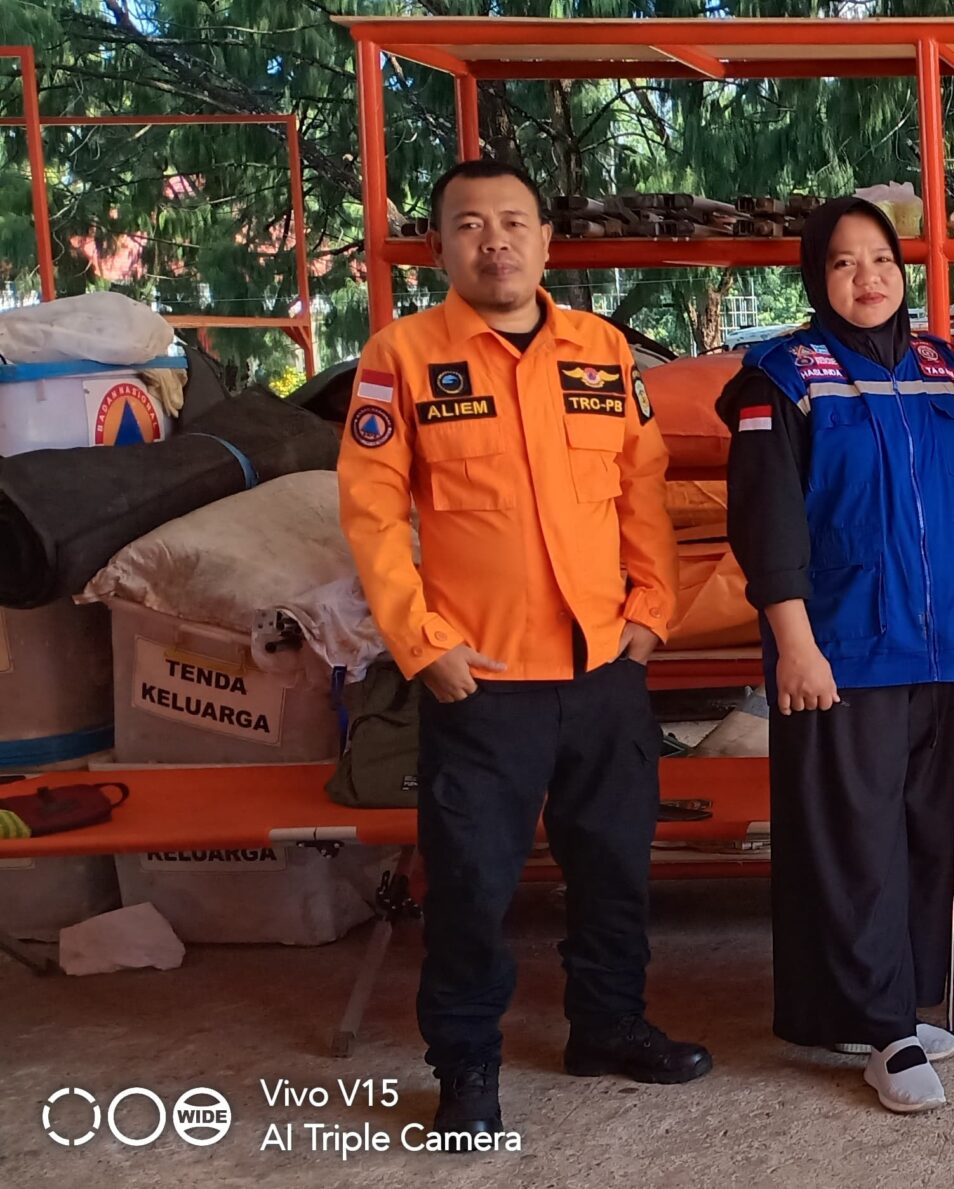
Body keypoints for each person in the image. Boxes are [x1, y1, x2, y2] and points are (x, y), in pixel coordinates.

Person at [338, 159, 707, 1140]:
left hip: (602, 671)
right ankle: (465, 1063)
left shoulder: (601, 349)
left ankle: (607, 1026)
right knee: (469, 885)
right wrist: (422, 645)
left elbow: (642, 488)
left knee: (615, 867)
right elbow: (372, 514)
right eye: (469, 224)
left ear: (546, 242)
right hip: (481, 682)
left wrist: (652, 611)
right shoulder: (403, 357)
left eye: (513, 221)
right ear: (439, 248)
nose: (493, 240)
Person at [720, 196, 954, 1115]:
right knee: (854, 846)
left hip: (934, 650)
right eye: (845, 262)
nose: (869, 277)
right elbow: (766, 524)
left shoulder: (945, 371)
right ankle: (883, 1028)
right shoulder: (784, 376)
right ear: (818, 278)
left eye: (883, 259)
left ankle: (900, 1003)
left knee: (923, 834)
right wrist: (795, 644)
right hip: (841, 655)